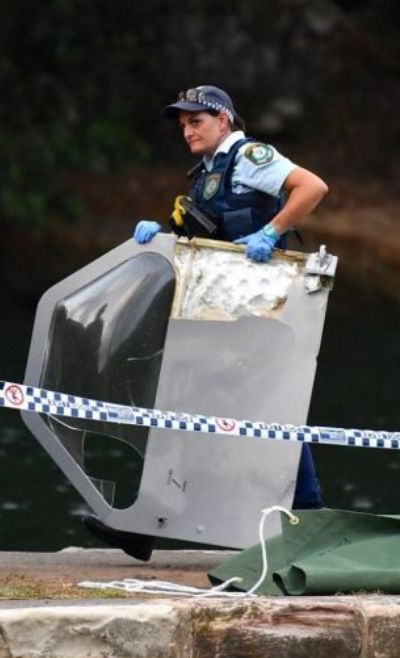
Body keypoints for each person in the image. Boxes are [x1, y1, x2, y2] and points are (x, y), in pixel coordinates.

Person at [84, 85, 329, 560]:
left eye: (196, 121)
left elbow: (313, 187)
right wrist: (164, 236)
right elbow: (203, 238)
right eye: (183, 125)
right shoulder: (207, 173)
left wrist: (271, 231)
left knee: (273, 416)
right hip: (219, 313)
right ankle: (148, 521)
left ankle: (312, 518)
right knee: (184, 410)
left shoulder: (250, 156)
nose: (187, 131)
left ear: (223, 120)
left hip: (261, 315)